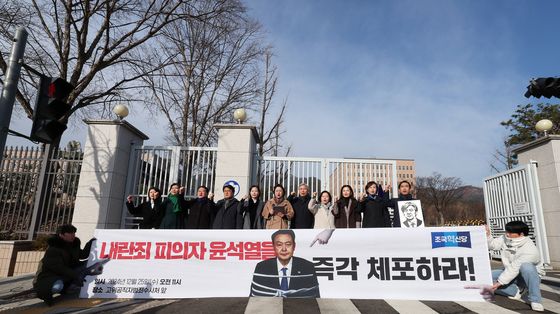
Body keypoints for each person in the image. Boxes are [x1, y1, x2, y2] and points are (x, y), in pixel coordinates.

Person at [487, 221, 545, 312]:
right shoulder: (506, 237)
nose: (507, 234)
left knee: (527, 267)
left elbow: (515, 267)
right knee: (487, 277)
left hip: (527, 277)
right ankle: (516, 291)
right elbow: (493, 245)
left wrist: (499, 282)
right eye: (506, 231)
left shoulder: (530, 250)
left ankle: (535, 300)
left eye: (510, 232)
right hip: (510, 271)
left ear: (521, 234)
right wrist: (488, 236)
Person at [33, 224, 95, 306]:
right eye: (70, 233)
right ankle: (45, 294)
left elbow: (82, 255)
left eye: (74, 233)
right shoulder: (53, 249)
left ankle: (67, 288)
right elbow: (59, 268)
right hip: (51, 276)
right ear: (61, 235)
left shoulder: (73, 244)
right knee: (57, 286)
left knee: (89, 263)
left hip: (68, 273)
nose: (73, 235)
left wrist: (90, 243)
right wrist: (76, 275)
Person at [250, 229, 320, 298]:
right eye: (279, 244)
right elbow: (254, 298)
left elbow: (316, 299)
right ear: (273, 247)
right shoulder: (262, 267)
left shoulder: (307, 267)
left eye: (288, 244)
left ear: (294, 246)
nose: (284, 249)